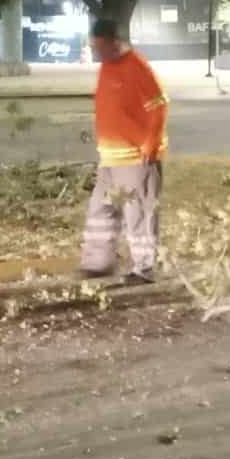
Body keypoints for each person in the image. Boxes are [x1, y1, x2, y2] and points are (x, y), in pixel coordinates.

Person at [80, 18, 168, 283]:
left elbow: (159, 106)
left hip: (135, 158)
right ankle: (98, 262)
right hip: (109, 158)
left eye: (100, 47)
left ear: (115, 43)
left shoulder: (137, 67)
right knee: (100, 210)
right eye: (93, 47)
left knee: (138, 214)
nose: (96, 53)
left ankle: (144, 268)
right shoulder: (107, 68)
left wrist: (150, 145)